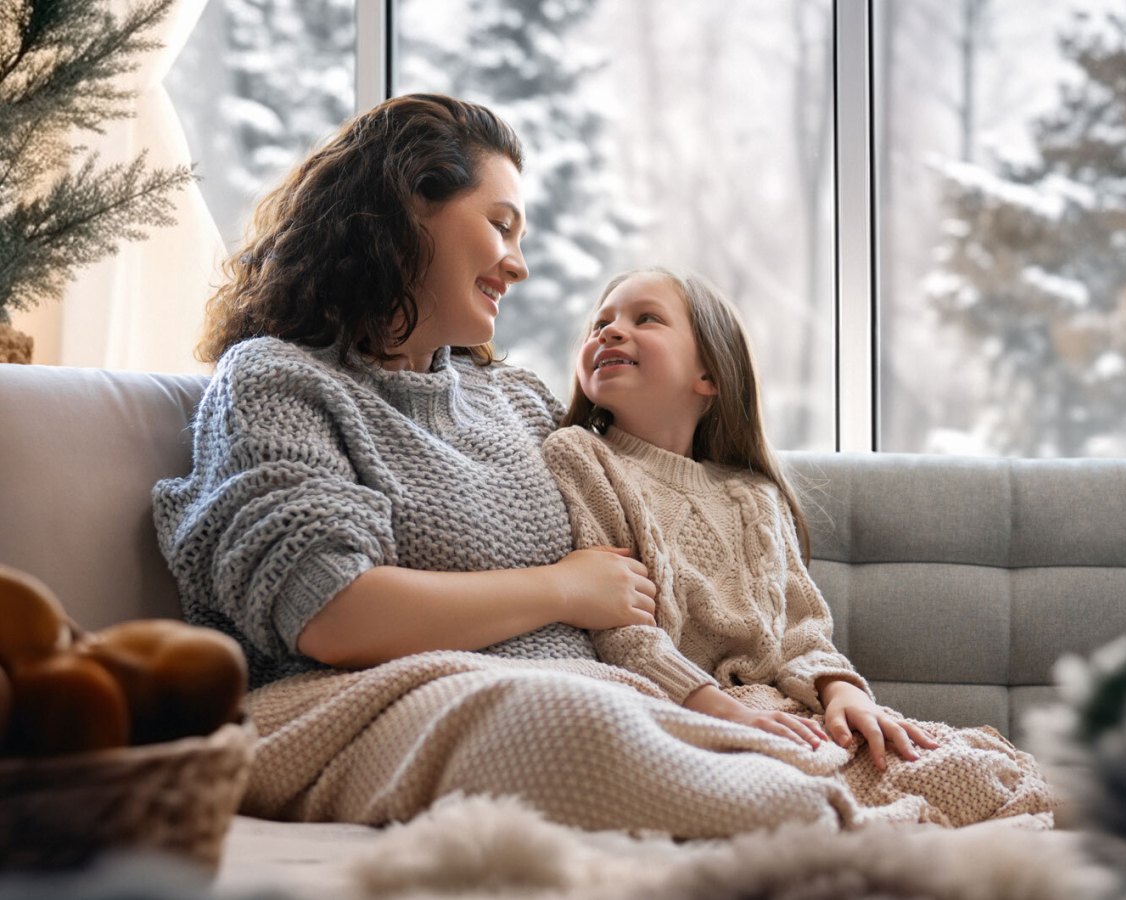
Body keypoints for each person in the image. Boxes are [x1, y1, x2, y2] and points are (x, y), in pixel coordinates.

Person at [154, 94, 1049, 836]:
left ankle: (932, 800)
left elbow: (655, 505)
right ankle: (837, 826)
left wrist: (810, 686)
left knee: (889, 753)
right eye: (499, 225)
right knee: (578, 725)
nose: (519, 264)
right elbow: (330, 614)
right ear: (404, 211)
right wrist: (563, 591)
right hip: (365, 703)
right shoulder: (276, 379)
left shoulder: (516, 401)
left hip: (594, 695)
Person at [542, 266, 1055, 817]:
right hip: (682, 716)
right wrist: (723, 713)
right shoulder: (582, 456)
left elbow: (802, 634)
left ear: (709, 374)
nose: (609, 331)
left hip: (785, 712)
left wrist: (844, 694)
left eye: (646, 318)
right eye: (600, 323)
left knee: (961, 760)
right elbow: (624, 632)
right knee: (951, 783)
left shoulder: (753, 496)